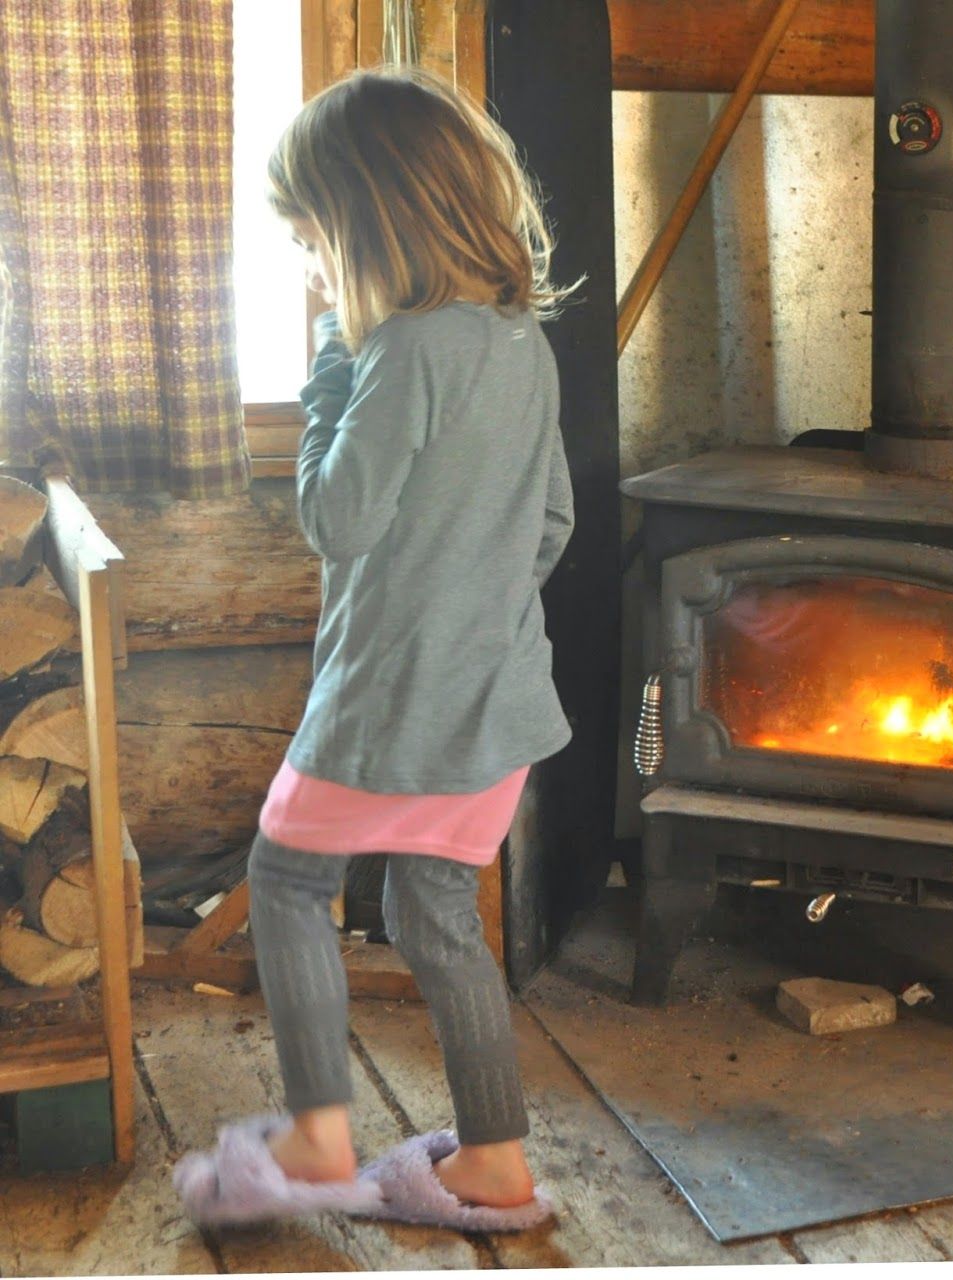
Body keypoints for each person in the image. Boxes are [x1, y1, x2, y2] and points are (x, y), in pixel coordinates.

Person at [173, 66, 575, 1233]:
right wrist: (475, 604)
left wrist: (327, 374)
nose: (309, 263)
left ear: (365, 219)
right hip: (496, 704)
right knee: (438, 911)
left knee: (288, 878)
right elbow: (551, 524)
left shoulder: (395, 354)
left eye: (309, 237)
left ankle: (316, 1135)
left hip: (390, 702)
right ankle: (496, 1162)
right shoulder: (519, 346)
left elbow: (335, 518)